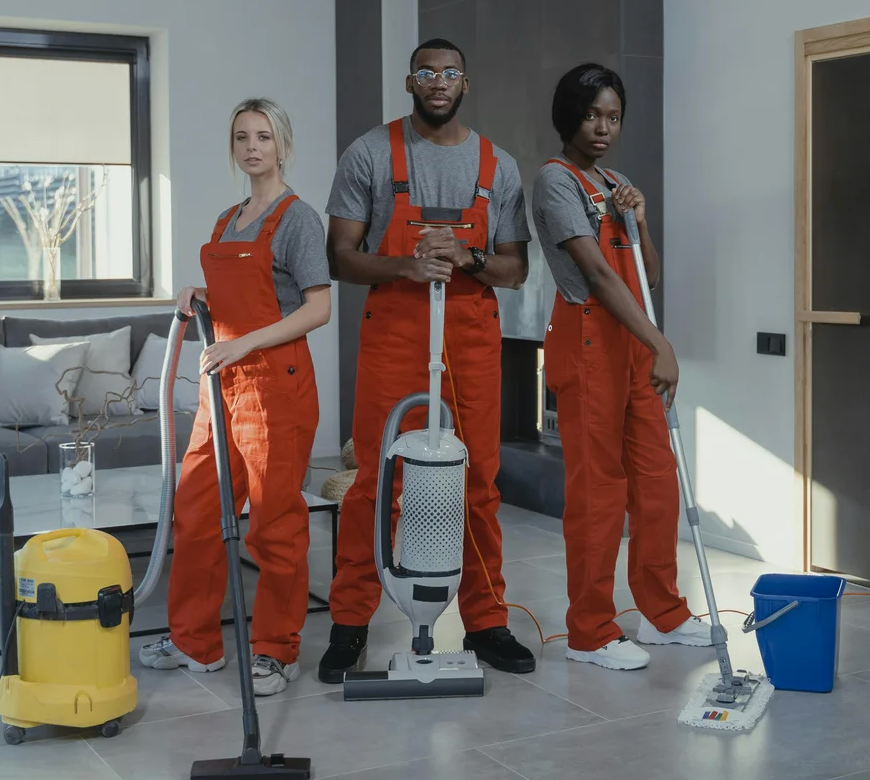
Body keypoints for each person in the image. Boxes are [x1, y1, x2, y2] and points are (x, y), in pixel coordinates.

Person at [318, 38, 535, 683]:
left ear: (465, 83)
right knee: (374, 481)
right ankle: (350, 623)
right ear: (409, 81)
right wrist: (407, 264)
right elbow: (339, 257)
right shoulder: (369, 154)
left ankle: (487, 621)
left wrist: (467, 257)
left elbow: (516, 268)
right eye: (426, 73)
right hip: (394, 328)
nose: (438, 82)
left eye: (450, 73)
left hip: (470, 333)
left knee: (480, 482)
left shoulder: (500, 167)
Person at [139, 98, 331, 696]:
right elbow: (238, 296)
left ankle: (276, 650)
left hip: (277, 387)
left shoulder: (298, 219)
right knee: (196, 511)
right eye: (243, 137)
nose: (253, 147)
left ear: (283, 145)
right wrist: (201, 293)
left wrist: (241, 342)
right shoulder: (228, 220)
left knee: (273, 524)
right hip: (223, 381)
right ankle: (194, 641)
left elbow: (318, 307)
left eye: (264, 137)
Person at [533, 64, 713, 671]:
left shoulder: (618, 181)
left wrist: (639, 219)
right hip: (588, 342)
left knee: (657, 479)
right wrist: (661, 342)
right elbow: (599, 275)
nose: (603, 127)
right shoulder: (554, 182)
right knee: (598, 491)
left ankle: (663, 613)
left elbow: (647, 274)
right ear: (569, 116)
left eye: (612, 116)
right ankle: (589, 630)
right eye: (591, 115)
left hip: (632, 342)